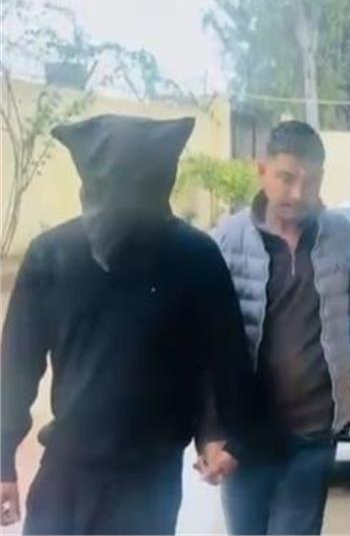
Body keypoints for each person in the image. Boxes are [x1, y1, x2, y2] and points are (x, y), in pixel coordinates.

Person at [0, 115, 256, 535]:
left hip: (149, 481)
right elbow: (16, 366)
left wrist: (221, 434)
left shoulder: (195, 256)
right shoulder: (52, 254)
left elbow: (224, 358)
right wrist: (3, 461)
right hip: (68, 474)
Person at [199, 120, 350, 535]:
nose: (299, 193)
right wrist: (210, 433)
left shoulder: (340, 234)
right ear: (262, 170)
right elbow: (204, 349)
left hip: (313, 431)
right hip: (246, 436)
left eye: (310, 181)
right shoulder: (226, 241)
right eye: (286, 178)